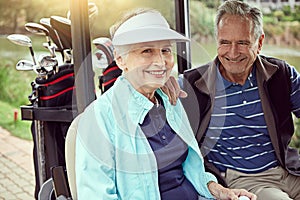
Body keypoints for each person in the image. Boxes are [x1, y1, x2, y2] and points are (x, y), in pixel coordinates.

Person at [74, 8, 256, 200]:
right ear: (120, 60)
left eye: (165, 50)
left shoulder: (170, 101)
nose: (161, 61)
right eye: (147, 51)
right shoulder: (99, 117)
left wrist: (218, 190)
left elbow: (189, 170)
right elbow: (96, 195)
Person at [169, 1, 300, 199]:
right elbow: (146, 103)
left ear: (260, 42)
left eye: (242, 43)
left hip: (290, 168)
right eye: (224, 42)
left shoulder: (282, 74)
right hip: (245, 180)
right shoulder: (191, 85)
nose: (232, 52)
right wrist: (158, 83)